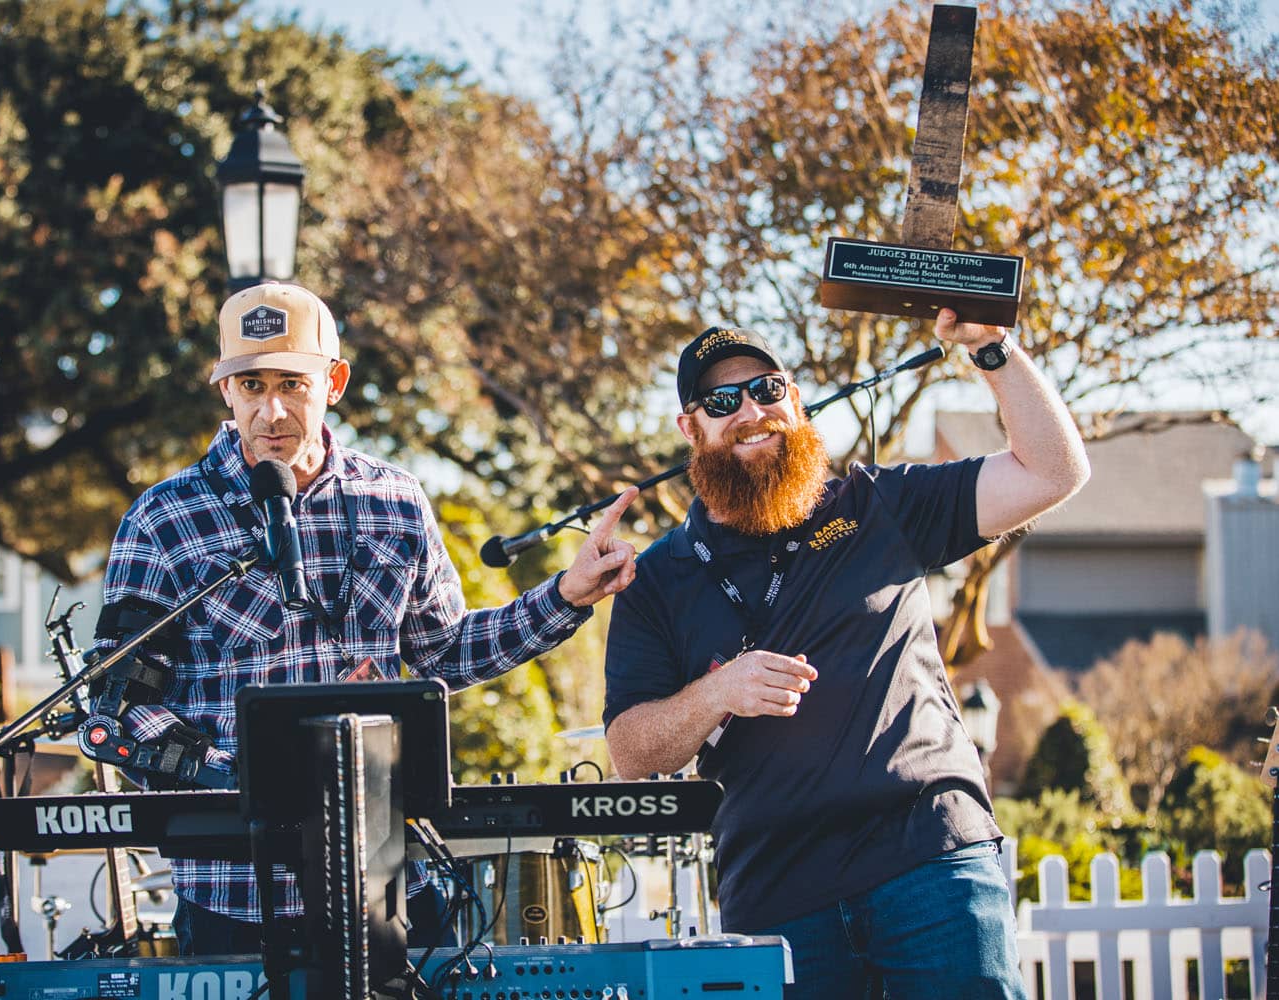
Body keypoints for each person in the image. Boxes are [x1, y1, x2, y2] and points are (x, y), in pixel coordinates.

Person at [96, 281, 637, 956]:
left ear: (335, 381)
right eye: (251, 384)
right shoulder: (163, 517)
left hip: (388, 873)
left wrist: (565, 596)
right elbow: (120, 705)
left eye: (292, 383)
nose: (271, 411)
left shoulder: (396, 500)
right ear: (225, 392)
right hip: (233, 889)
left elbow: (444, 652)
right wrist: (238, 773)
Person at [602, 313, 1089, 999]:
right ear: (692, 429)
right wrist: (716, 692)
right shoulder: (656, 578)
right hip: (777, 895)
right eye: (722, 401)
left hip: (930, 863)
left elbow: (1054, 472)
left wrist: (991, 349)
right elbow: (630, 753)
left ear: (795, 402)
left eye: (767, 389)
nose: (751, 411)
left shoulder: (877, 505)